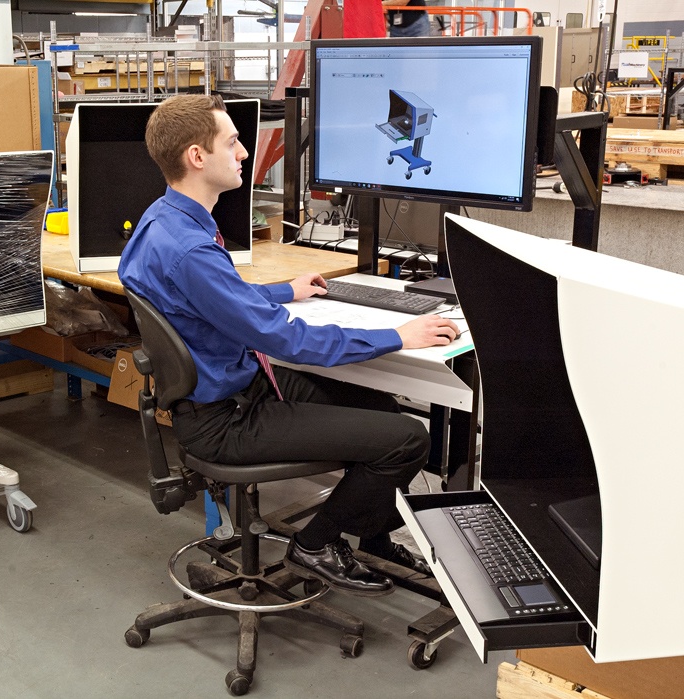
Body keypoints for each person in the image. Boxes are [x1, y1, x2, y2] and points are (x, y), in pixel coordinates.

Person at [118, 95, 459, 596]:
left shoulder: (164, 221)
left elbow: (214, 299)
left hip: (235, 390)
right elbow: (285, 338)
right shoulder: (189, 246)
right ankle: (316, 544)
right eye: (232, 142)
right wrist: (397, 336)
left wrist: (285, 290)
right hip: (226, 419)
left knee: (381, 409)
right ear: (197, 157)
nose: (242, 153)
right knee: (407, 439)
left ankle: (371, 536)